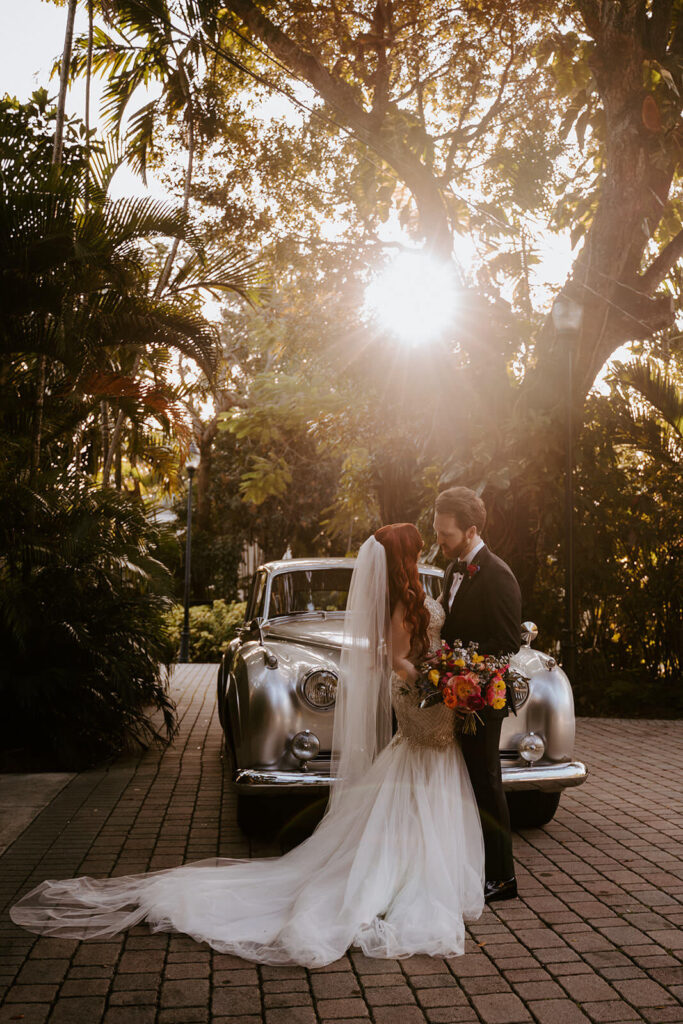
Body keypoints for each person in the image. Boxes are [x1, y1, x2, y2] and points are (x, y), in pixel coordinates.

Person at [10, 524, 484, 967]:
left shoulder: (416, 592)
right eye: (417, 547)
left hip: (432, 697)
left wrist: (449, 674)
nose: (426, 548)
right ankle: (401, 875)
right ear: (404, 556)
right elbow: (397, 659)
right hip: (422, 695)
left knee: (417, 777)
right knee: (414, 771)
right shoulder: (399, 602)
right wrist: (436, 682)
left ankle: (418, 868)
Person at [433, 487, 522, 904]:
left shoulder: (498, 575)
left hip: (485, 698)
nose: (439, 540)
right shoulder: (452, 569)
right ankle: (472, 866)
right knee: (464, 782)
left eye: (446, 534)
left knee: (486, 783)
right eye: (437, 531)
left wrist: (463, 668)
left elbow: (507, 642)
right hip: (455, 693)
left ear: (470, 531)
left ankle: (503, 878)